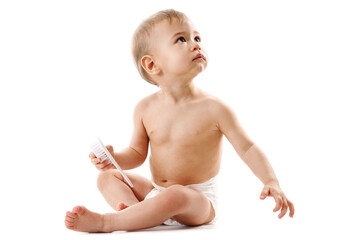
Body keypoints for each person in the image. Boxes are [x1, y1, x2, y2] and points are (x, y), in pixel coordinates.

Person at [64, 9, 294, 233]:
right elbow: (136, 153)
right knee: (106, 178)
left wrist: (271, 181)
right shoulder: (145, 108)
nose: (196, 44)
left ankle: (109, 222)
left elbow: (248, 147)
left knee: (176, 194)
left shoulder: (215, 108)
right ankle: (136, 213)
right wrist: (114, 160)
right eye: (181, 39)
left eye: (197, 37)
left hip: (197, 201)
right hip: (157, 192)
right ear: (152, 65)